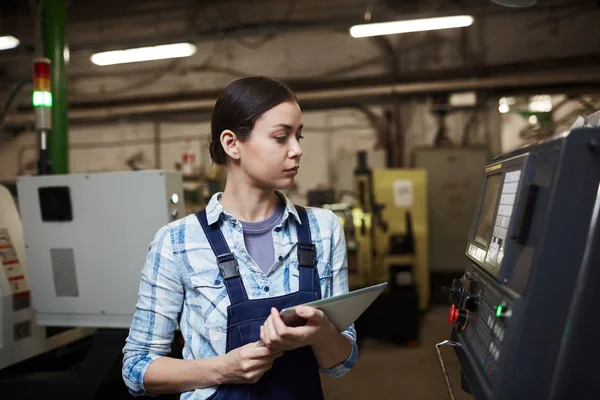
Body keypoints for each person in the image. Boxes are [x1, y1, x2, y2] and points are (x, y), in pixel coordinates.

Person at [122, 76, 358, 399]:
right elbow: (136, 367)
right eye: (281, 137)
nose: (297, 150)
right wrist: (222, 368)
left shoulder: (323, 230)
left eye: (298, 136)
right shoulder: (177, 243)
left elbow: (341, 363)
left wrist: (322, 334)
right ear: (232, 143)